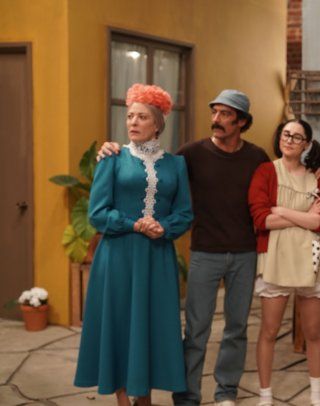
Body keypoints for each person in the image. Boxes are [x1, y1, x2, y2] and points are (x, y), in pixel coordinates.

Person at [97, 90, 320, 406]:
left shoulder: (257, 158)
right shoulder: (190, 154)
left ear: (241, 122)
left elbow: (285, 178)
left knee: (236, 328)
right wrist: (112, 150)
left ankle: (226, 392)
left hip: (245, 253)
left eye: (225, 114)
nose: (216, 119)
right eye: (214, 112)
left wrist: (317, 172)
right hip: (204, 252)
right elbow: (154, 169)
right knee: (196, 330)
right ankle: (187, 396)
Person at [74, 84, 193, 406]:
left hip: (157, 257)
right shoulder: (112, 159)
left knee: (151, 327)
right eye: (129, 116)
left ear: (157, 124)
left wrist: (164, 227)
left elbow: (185, 213)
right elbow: (97, 214)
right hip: (118, 256)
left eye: (141, 117)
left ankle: (146, 399)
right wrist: (134, 224)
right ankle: (123, 400)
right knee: (120, 325)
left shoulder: (176, 165)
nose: (133, 122)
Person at [248, 119, 320, 406]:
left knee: (313, 332)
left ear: (306, 144)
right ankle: (265, 396)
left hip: (312, 259)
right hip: (276, 258)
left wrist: (282, 211)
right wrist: (305, 215)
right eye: (286, 134)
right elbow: (261, 219)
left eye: (297, 137)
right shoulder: (265, 172)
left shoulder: (318, 177)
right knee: (269, 331)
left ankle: (316, 397)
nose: (290, 140)